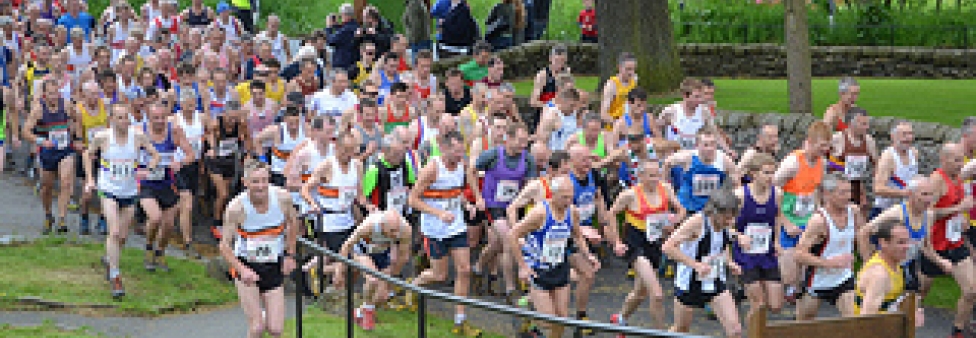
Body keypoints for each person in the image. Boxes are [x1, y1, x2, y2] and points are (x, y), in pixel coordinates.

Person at [405, 131, 483, 336]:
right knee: (440, 275)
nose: (460, 156)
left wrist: (469, 204)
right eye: (456, 152)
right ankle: (413, 285)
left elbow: (457, 189)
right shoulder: (433, 168)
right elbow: (413, 200)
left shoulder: (461, 164)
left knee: (464, 270)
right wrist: (438, 213)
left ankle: (460, 321)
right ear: (444, 148)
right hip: (435, 229)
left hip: (456, 226)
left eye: (462, 151)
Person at [86, 104, 160, 298]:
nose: (124, 121)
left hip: (129, 190)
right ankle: (115, 276)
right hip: (108, 189)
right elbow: (87, 154)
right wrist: (90, 179)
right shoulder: (103, 137)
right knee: (115, 230)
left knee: (123, 237)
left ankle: (110, 258)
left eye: (126, 117)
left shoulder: (137, 137)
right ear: (111, 119)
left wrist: (149, 169)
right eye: (119, 118)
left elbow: (155, 154)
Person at [219, 160, 299, 338]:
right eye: (255, 181)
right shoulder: (236, 208)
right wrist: (242, 269)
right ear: (245, 182)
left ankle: (262, 315)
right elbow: (224, 246)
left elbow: (293, 223)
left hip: (273, 264)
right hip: (246, 266)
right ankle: (258, 316)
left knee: (276, 329)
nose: (261, 186)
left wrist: (290, 255)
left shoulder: (282, 198)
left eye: (264, 180)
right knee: (256, 328)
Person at [509, 175, 595, 338]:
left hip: (559, 267)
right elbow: (513, 234)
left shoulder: (572, 211)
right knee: (548, 321)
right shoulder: (540, 212)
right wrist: (523, 266)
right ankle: (527, 315)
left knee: (562, 320)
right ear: (553, 195)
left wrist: (588, 255)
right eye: (564, 197)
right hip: (538, 269)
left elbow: (577, 235)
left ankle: (531, 319)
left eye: (571, 196)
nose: (568, 201)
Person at [607, 161, 685, 332]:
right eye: (650, 176)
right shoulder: (630, 195)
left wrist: (674, 221)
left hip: (655, 244)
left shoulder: (666, 189)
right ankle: (661, 333)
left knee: (640, 293)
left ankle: (620, 318)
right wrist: (617, 241)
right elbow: (611, 213)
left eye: (657, 175)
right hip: (636, 245)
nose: (655, 179)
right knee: (657, 294)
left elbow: (681, 210)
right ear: (640, 176)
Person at [663, 186, 744, 338]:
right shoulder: (696, 223)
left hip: (714, 279)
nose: (730, 221)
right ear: (714, 212)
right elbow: (667, 247)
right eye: (727, 218)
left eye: (733, 217)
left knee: (735, 330)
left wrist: (729, 262)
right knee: (681, 330)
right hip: (689, 282)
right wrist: (696, 265)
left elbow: (722, 241)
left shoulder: (725, 223)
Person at [858, 176, 937, 325]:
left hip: (906, 267)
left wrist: (941, 261)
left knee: (908, 310)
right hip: (889, 265)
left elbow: (925, 246)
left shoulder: (929, 215)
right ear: (911, 195)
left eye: (931, 194)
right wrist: (868, 264)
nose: (929, 199)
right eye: (924, 194)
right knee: (882, 305)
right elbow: (864, 232)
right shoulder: (896, 213)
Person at [471, 123, 537, 302]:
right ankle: (510, 289)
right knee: (509, 240)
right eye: (520, 141)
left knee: (498, 245)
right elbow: (471, 171)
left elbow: (531, 185)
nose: (524, 145)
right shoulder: (493, 155)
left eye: (526, 141)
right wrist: (478, 197)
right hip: (494, 206)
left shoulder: (528, 159)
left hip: (514, 207)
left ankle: (477, 268)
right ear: (509, 137)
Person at [919, 143, 976, 338]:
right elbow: (928, 212)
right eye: (956, 160)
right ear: (943, 160)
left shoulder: (958, 178)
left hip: (956, 243)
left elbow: (955, 206)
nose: (961, 164)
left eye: (962, 159)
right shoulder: (936, 180)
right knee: (920, 293)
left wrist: (961, 220)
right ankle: (903, 324)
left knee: (971, 290)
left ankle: (957, 331)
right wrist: (957, 210)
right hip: (935, 245)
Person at [301, 133, 369, 294]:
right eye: (345, 150)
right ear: (337, 147)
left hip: (348, 219)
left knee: (357, 257)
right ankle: (318, 272)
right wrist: (313, 204)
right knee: (348, 260)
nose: (349, 154)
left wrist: (368, 206)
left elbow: (359, 195)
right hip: (330, 222)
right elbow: (305, 189)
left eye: (352, 150)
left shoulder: (357, 165)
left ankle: (334, 285)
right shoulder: (327, 166)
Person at [773, 121, 832, 304]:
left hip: (807, 218)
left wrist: (820, 215)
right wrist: (785, 222)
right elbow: (772, 191)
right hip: (788, 218)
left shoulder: (822, 163)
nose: (825, 149)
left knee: (806, 264)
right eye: (822, 146)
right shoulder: (792, 163)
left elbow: (816, 190)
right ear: (810, 142)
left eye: (827, 146)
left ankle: (800, 297)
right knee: (788, 272)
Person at [794, 173, 864, 320]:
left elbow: (862, 238)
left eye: (849, 191)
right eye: (842, 192)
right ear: (827, 194)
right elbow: (799, 255)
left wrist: (867, 264)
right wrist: (828, 263)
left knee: (855, 321)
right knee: (803, 327)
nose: (847, 197)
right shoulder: (818, 221)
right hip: (818, 281)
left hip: (843, 278)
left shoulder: (854, 212)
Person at [139, 103, 195, 273]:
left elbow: (191, 154)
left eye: (162, 117)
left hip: (166, 183)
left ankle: (160, 252)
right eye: (155, 118)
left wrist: (181, 162)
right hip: (147, 183)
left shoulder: (174, 131)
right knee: (155, 218)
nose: (159, 121)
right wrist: (136, 168)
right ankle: (149, 248)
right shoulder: (140, 132)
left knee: (169, 224)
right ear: (149, 118)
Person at [334, 209, 412, 330]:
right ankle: (368, 312)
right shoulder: (369, 225)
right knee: (372, 280)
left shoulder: (405, 229)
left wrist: (392, 280)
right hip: (362, 251)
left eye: (397, 230)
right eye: (392, 231)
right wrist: (338, 271)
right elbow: (346, 246)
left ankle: (360, 312)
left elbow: (403, 256)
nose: (396, 234)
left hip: (381, 254)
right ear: (382, 225)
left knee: (383, 296)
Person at [732, 152, 785, 319]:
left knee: (775, 306)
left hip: (766, 252)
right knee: (758, 305)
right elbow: (725, 225)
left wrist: (776, 241)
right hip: (745, 254)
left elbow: (777, 217)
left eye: (772, 173)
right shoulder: (740, 195)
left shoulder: (777, 194)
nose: (770, 177)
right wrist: (738, 236)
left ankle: (739, 293)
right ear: (754, 174)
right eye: (766, 172)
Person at [23, 78, 77, 233]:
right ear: (45, 94)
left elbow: (77, 116)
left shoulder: (66, 105)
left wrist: (76, 135)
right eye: (51, 94)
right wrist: (40, 141)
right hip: (47, 151)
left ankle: (62, 219)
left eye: (56, 93)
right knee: (47, 187)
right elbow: (25, 132)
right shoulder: (38, 110)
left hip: (65, 149)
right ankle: (48, 215)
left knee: (66, 182)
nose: (54, 97)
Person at [854, 220, 913, 318]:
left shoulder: (895, 264)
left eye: (907, 241)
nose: (907, 247)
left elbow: (890, 304)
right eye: (901, 242)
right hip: (874, 331)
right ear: (883, 243)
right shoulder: (879, 275)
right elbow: (865, 319)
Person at [828, 107, 877, 210]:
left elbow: (877, 166)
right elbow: (823, 164)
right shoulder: (837, 139)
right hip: (837, 193)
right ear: (851, 124)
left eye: (867, 124)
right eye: (863, 124)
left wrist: (871, 189)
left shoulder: (869, 141)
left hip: (857, 191)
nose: (867, 127)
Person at [599, 52, 636, 127]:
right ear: (619, 68)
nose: (631, 73)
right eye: (628, 69)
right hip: (614, 128)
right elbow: (603, 114)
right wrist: (619, 125)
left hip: (631, 126)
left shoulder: (634, 81)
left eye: (633, 69)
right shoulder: (611, 85)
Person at [326, 3, 360, 70]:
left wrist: (328, 28)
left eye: (341, 15)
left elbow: (330, 41)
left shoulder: (347, 30)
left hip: (343, 64)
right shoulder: (355, 26)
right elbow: (342, 34)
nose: (340, 17)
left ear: (347, 16)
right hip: (351, 62)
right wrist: (335, 25)